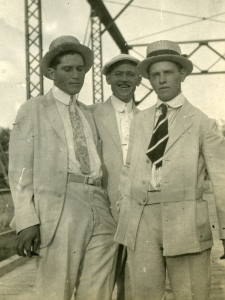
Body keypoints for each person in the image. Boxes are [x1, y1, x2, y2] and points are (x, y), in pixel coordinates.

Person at [9, 35, 118, 300]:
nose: (76, 75)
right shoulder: (34, 109)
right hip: (61, 203)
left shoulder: (87, 113)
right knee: (56, 290)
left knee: (99, 290)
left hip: (99, 203)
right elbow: (19, 169)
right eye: (68, 69)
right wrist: (26, 220)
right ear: (51, 72)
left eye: (80, 69)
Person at [114, 40, 225, 300]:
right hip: (142, 221)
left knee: (191, 294)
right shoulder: (140, 121)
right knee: (142, 295)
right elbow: (128, 170)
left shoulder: (202, 123)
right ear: (149, 79)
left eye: (168, 73)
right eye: (155, 75)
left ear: (182, 74)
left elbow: (222, 180)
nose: (162, 80)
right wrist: (125, 213)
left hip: (186, 219)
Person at [93, 54, 141, 299]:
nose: (124, 79)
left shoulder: (149, 118)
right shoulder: (91, 114)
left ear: (139, 80)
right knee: (98, 281)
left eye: (130, 74)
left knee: (134, 280)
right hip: (101, 210)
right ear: (108, 78)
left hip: (139, 212)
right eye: (118, 74)